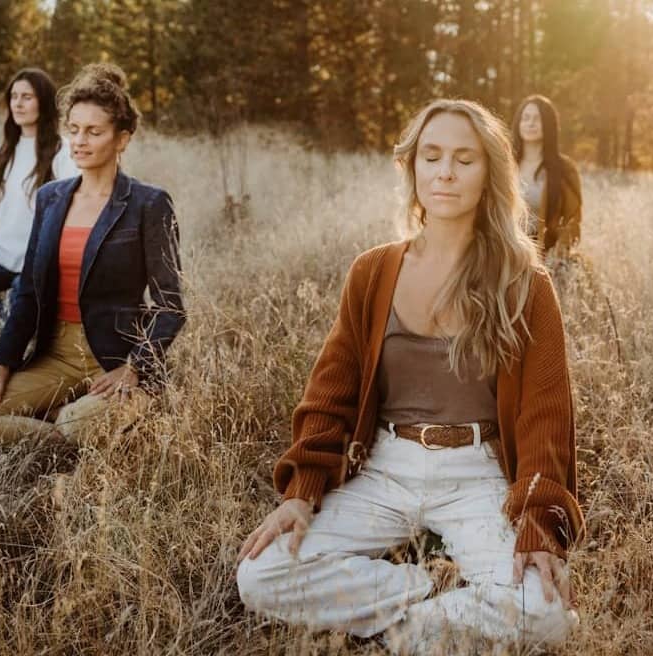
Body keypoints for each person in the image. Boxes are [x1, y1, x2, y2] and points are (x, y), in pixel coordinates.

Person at [236, 99, 584, 653]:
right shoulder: (373, 271)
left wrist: (537, 523)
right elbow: (333, 389)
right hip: (384, 466)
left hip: (478, 473)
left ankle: (408, 634)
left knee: (546, 614)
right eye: (433, 156)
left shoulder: (526, 284)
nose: (446, 172)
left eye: (465, 159)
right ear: (413, 167)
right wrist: (302, 491)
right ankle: (428, 587)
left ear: (490, 171)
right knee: (260, 575)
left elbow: (546, 414)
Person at [0, 63, 185, 446]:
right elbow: (27, 289)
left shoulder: (149, 203)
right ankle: (51, 428)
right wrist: (3, 361)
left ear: (122, 139)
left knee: (78, 426)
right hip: (56, 356)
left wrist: (135, 368)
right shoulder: (51, 198)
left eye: (94, 132)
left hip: (116, 356)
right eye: (73, 129)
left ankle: (74, 420)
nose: (79, 141)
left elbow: (170, 304)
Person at [0, 68, 78, 317]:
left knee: (27, 310)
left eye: (27, 97)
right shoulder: (4, 152)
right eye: (14, 96)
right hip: (2, 257)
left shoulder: (62, 150)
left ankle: (14, 312)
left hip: (38, 265)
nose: (18, 104)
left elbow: (72, 213)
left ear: (43, 102)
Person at [511, 94, 582, 257]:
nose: (530, 123)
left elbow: (573, 220)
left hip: (544, 254)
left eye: (537, 118)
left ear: (549, 124)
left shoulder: (565, 169)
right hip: (506, 252)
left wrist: (558, 254)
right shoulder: (505, 164)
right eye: (526, 118)